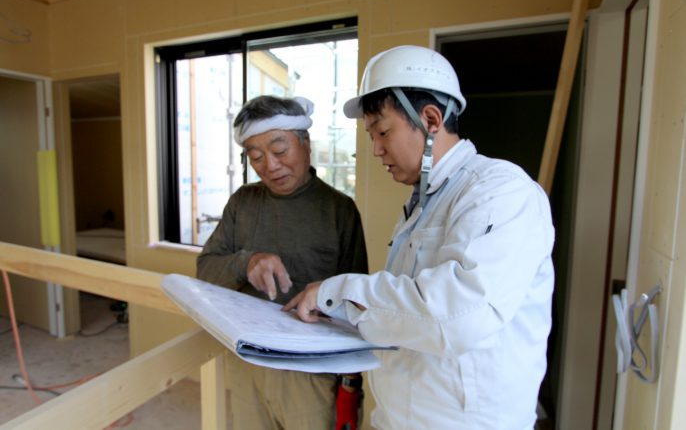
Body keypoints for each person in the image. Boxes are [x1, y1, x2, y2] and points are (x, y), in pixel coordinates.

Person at [284, 45, 555, 429]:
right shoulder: (425, 204)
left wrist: (337, 292)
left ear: (430, 119)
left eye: (383, 131)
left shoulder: (500, 192)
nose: (376, 149)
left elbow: (456, 314)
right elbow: (405, 317)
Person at [197, 95, 368, 430]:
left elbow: (357, 299)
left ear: (305, 143)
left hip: (310, 373)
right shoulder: (242, 203)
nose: (269, 166)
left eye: (279, 151)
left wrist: (350, 381)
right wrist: (245, 263)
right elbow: (205, 270)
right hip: (247, 360)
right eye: (256, 157)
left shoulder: (339, 210)